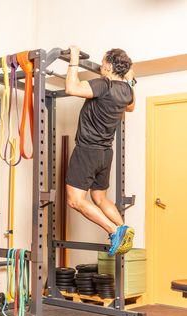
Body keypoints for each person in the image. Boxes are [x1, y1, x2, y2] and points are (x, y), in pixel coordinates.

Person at [65, 46, 136, 256]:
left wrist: (74, 60)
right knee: (100, 198)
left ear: (110, 65)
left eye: (104, 61)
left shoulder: (104, 85)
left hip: (88, 151)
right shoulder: (127, 90)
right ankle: (123, 228)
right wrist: (130, 80)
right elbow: (130, 107)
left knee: (75, 200)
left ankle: (114, 231)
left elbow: (71, 88)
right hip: (105, 153)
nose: (101, 65)